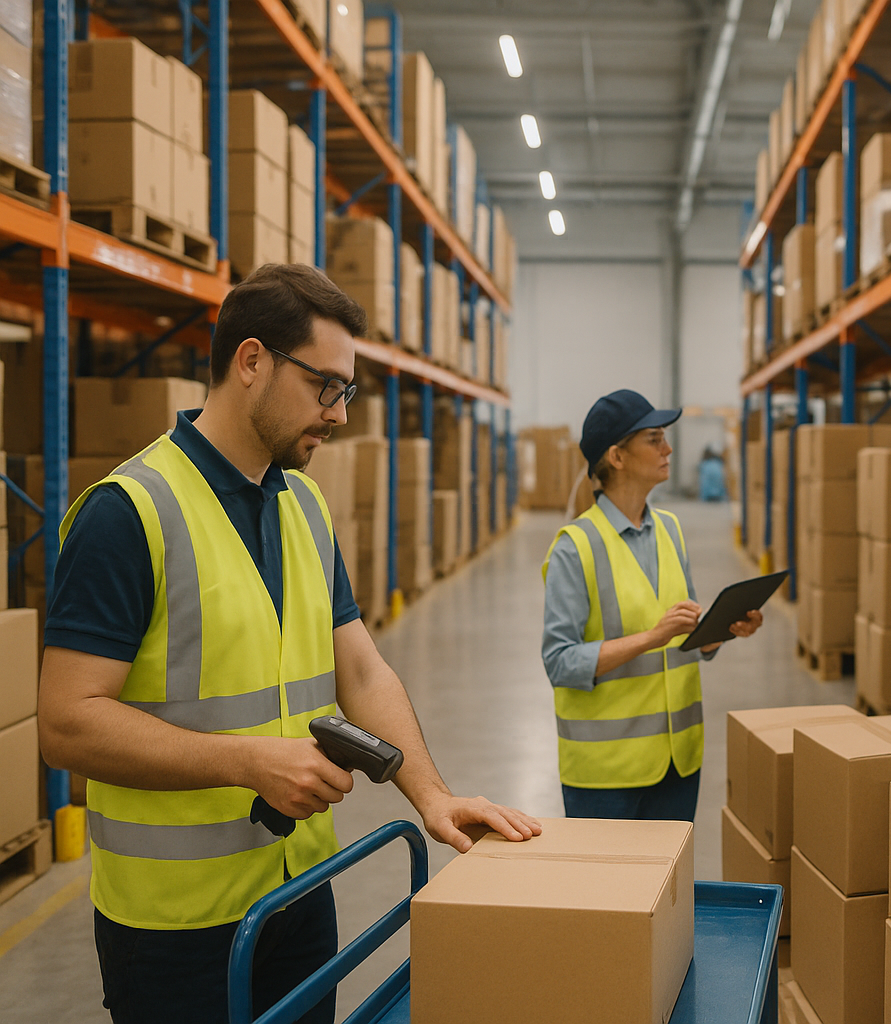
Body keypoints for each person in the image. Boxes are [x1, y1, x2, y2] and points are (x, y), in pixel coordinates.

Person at [36, 264, 541, 1024]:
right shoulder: (128, 513)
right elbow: (66, 721)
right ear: (251, 362)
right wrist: (248, 761)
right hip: (176, 926)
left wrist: (432, 796)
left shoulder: (303, 502)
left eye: (346, 391)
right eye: (325, 387)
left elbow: (361, 667)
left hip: (300, 889)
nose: (339, 414)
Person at [541, 390, 763, 822]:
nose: (669, 449)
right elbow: (560, 662)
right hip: (607, 774)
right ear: (617, 458)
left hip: (678, 761)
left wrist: (721, 630)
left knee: (670, 889)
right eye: (654, 439)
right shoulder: (575, 547)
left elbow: (686, 638)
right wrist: (652, 637)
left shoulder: (671, 529)